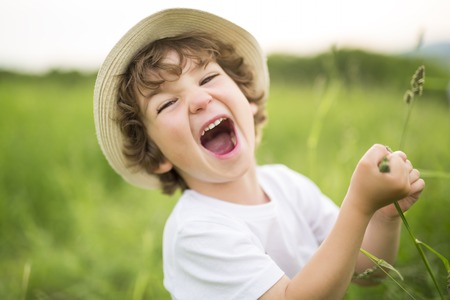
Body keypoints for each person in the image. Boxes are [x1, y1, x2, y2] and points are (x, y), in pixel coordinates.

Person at [93, 8, 425, 300]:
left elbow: (367, 268)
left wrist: (382, 216)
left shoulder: (287, 185)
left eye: (208, 77)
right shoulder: (196, 231)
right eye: (167, 103)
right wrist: (359, 203)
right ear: (157, 155)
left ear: (248, 101)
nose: (198, 100)